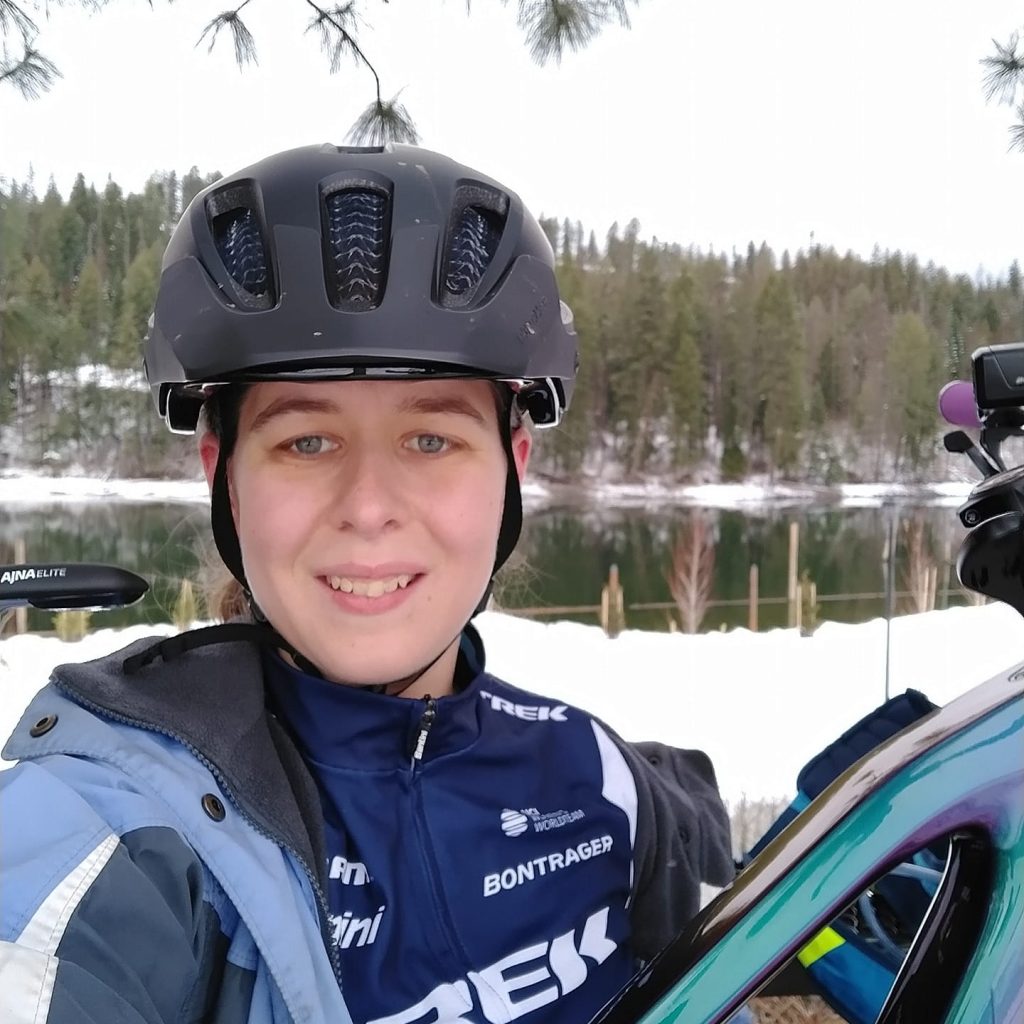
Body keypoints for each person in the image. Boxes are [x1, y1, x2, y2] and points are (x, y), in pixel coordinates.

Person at [0, 144, 734, 1024]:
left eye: (432, 440)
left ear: (514, 466)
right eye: (306, 441)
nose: (370, 509)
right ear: (223, 474)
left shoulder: (600, 781)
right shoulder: (121, 829)